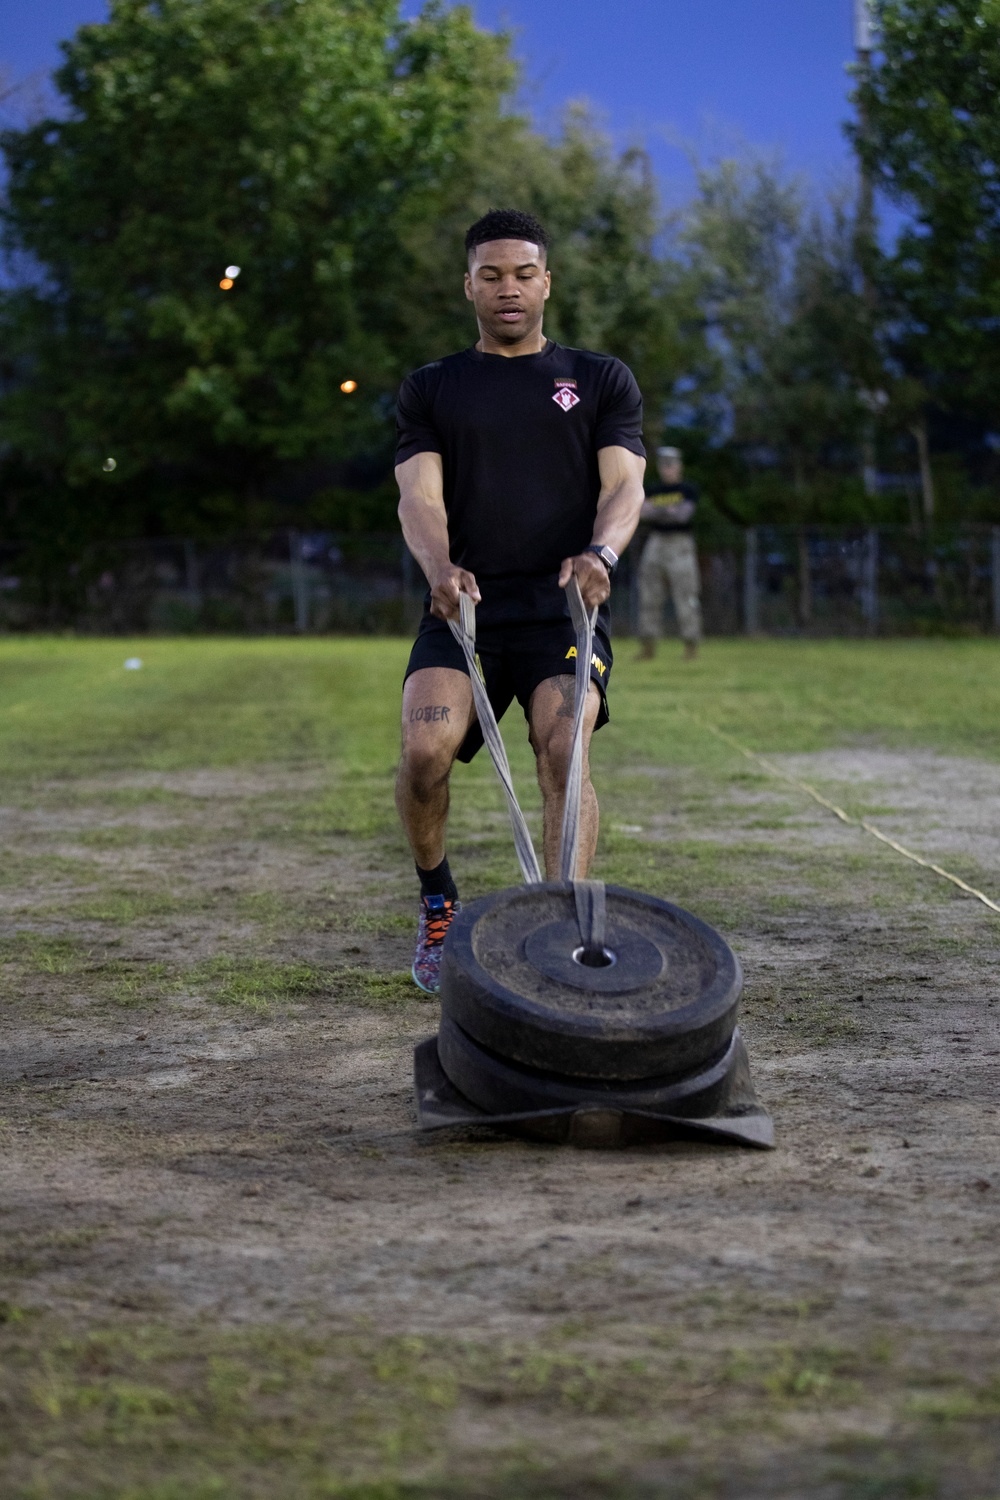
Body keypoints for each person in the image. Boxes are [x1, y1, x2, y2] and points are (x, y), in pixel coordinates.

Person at [394, 207, 647, 992]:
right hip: (463, 609)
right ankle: (440, 910)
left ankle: (561, 926)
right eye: (492, 275)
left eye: (524, 274)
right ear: (468, 285)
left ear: (548, 282)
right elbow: (418, 499)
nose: (510, 289)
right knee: (425, 753)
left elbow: (624, 485)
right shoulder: (433, 388)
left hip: (561, 613)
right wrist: (439, 566)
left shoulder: (601, 379)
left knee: (566, 751)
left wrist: (601, 553)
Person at [636, 445, 703, 661]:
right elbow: (643, 513)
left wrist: (657, 510)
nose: (668, 469)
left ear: (679, 466)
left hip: (680, 545)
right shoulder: (653, 489)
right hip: (655, 543)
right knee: (649, 595)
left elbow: (683, 515)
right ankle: (648, 646)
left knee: (686, 594)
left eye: (672, 464)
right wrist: (668, 511)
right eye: (664, 465)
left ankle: (691, 646)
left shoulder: (687, 489)